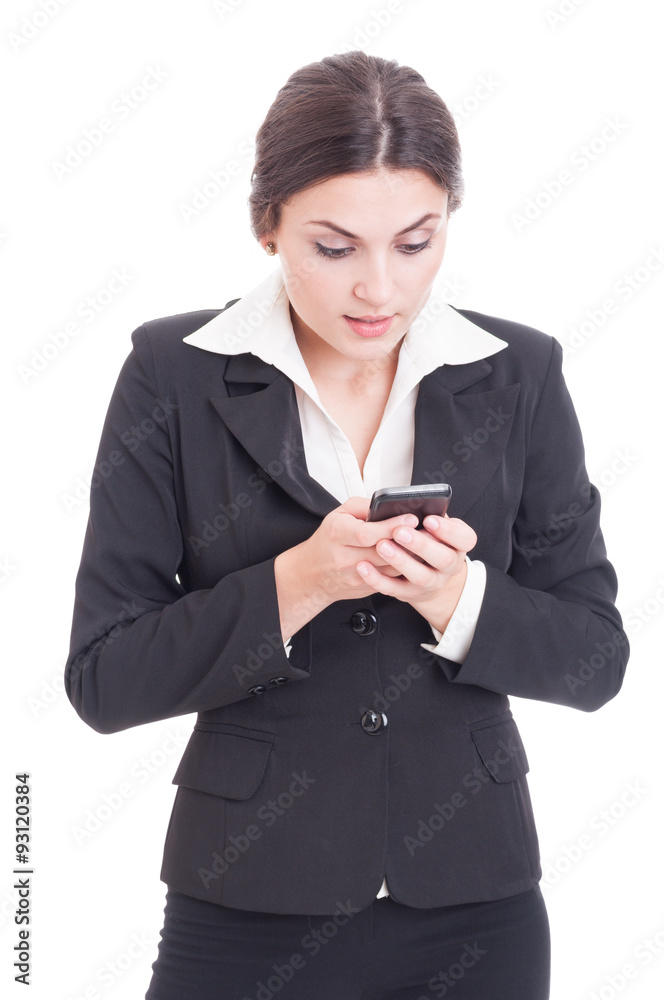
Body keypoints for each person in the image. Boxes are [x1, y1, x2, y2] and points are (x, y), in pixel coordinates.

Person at [64, 50, 629, 1000]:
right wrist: (301, 582)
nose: (380, 290)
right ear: (267, 226)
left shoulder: (519, 371)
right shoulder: (173, 372)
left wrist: (458, 598)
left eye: (415, 242)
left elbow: (595, 660)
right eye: (335, 248)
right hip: (243, 904)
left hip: (475, 905)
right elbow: (104, 678)